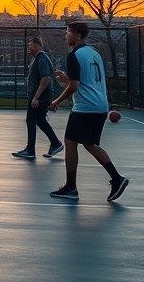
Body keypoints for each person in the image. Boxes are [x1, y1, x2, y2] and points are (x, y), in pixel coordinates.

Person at [48, 21, 127, 203]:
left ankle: (71, 187)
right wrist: (68, 80)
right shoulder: (94, 54)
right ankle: (117, 179)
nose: (65, 36)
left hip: (86, 107)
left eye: (68, 33)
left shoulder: (73, 55)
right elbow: (86, 81)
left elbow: (75, 86)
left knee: (70, 142)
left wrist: (57, 101)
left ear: (77, 35)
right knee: (90, 144)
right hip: (101, 105)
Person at [13, 36, 64, 160]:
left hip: (39, 96)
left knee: (31, 120)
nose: (28, 47)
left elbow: (46, 78)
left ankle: (30, 150)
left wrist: (36, 97)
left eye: (30, 44)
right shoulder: (38, 58)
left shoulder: (42, 58)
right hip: (38, 95)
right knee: (40, 120)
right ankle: (56, 144)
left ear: (38, 45)